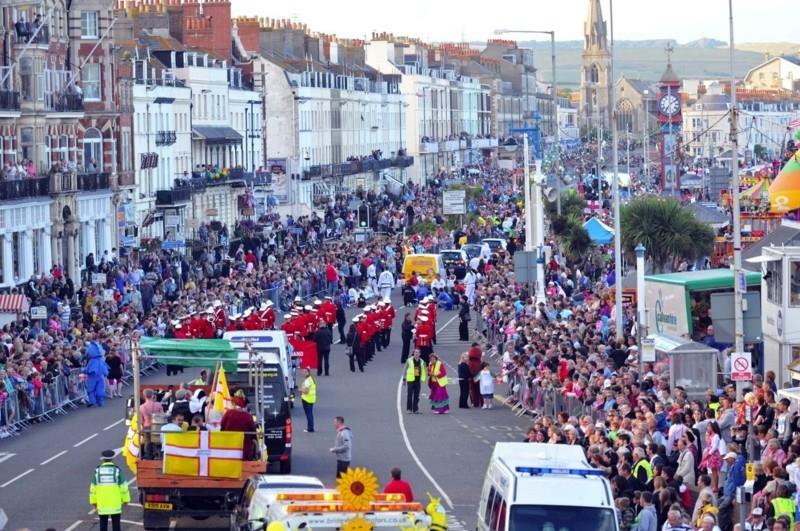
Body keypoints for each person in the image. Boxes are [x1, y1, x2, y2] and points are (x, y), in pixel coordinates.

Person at [89, 449, 130, 531]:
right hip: (115, 504)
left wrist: (93, 501)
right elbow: (124, 487)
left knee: (103, 525)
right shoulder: (117, 471)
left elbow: (93, 488)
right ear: (112, 458)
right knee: (116, 525)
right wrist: (126, 500)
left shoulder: (97, 472)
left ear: (103, 459)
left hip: (102, 504)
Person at [220, 391, 258, 460]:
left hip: (229, 448)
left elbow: (222, 428)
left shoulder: (228, 413)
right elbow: (253, 433)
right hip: (244, 450)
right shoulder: (248, 416)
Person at [405, 349, 427, 414]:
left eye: (418, 352)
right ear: (413, 353)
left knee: (416, 396)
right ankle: (409, 409)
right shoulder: (409, 360)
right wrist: (404, 379)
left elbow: (424, 371)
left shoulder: (422, 361)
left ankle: (415, 409)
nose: (416, 353)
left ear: (420, 354)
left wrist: (422, 379)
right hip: (410, 380)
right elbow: (405, 370)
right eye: (415, 352)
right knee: (409, 395)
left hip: (417, 380)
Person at [300, 368, 316, 433]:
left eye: (305, 372)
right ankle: (311, 427)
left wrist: (300, 389)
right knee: (310, 414)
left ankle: (310, 428)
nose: (303, 373)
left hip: (306, 399)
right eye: (303, 371)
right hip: (311, 399)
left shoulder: (307, 381)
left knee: (308, 414)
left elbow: (306, 391)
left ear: (308, 372)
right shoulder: (312, 379)